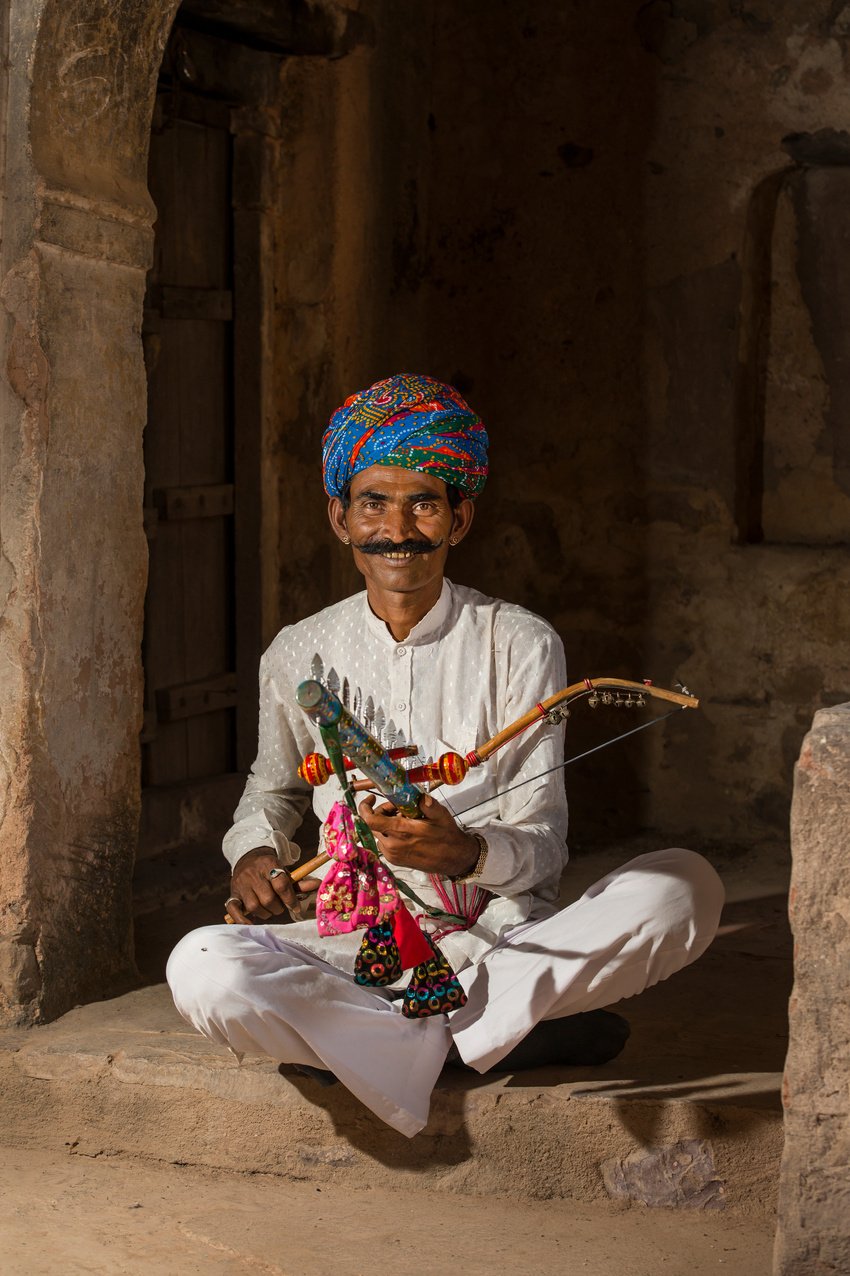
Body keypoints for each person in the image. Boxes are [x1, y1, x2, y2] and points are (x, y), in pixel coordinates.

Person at [166, 373, 724, 1138]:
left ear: (459, 519)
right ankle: (490, 1035)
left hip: (495, 936)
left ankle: (386, 1040)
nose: (398, 528)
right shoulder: (297, 652)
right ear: (340, 517)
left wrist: (464, 853)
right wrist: (256, 855)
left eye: (424, 502)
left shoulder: (520, 643)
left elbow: (545, 846)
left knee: (683, 889)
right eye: (374, 503)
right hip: (350, 940)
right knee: (202, 966)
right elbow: (272, 791)